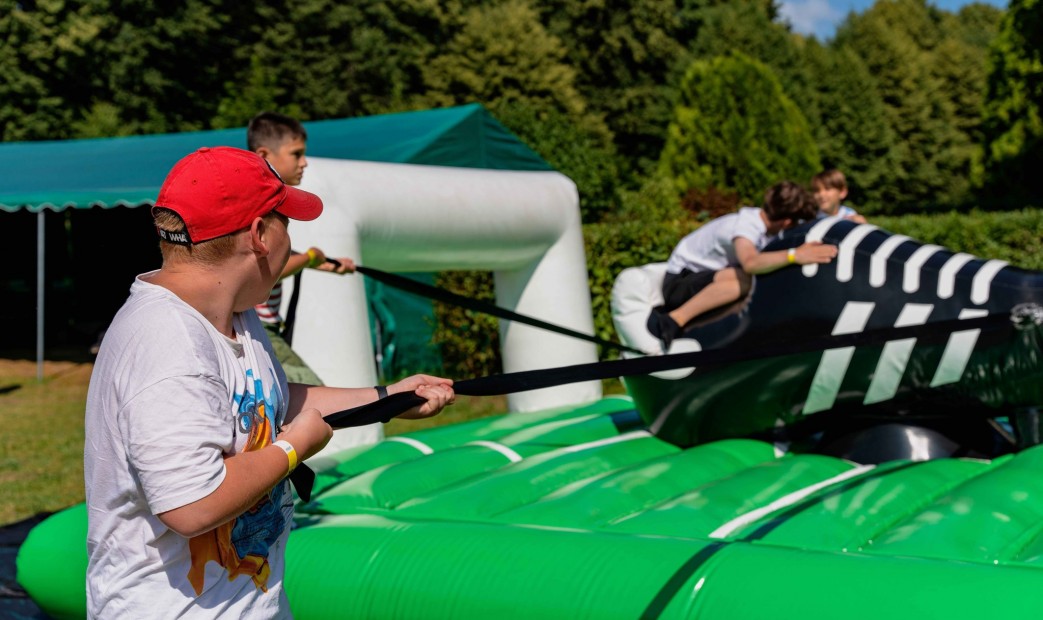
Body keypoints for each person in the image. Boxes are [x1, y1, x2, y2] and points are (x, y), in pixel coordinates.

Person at [84, 146, 455, 618]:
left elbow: (268, 400)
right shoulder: (168, 345)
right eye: (287, 222)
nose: (291, 241)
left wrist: (386, 399)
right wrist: (292, 449)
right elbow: (191, 505)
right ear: (260, 234)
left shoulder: (234, 313)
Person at [648, 181, 838, 350]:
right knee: (746, 279)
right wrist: (794, 255)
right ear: (787, 221)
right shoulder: (746, 226)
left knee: (762, 276)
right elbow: (750, 263)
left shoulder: (767, 228)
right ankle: (673, 319)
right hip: (679, 283)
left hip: (704, 279)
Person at [248, 111, 354, 385]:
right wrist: (308, 258)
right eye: (296, 154)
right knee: (315, 398)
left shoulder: (263, 200)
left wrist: (325, 263)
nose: (304, 162)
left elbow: (272, 258)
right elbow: (266, 268)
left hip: (263, 327)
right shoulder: (259, 205)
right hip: (255, 327)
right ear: (264, 155)